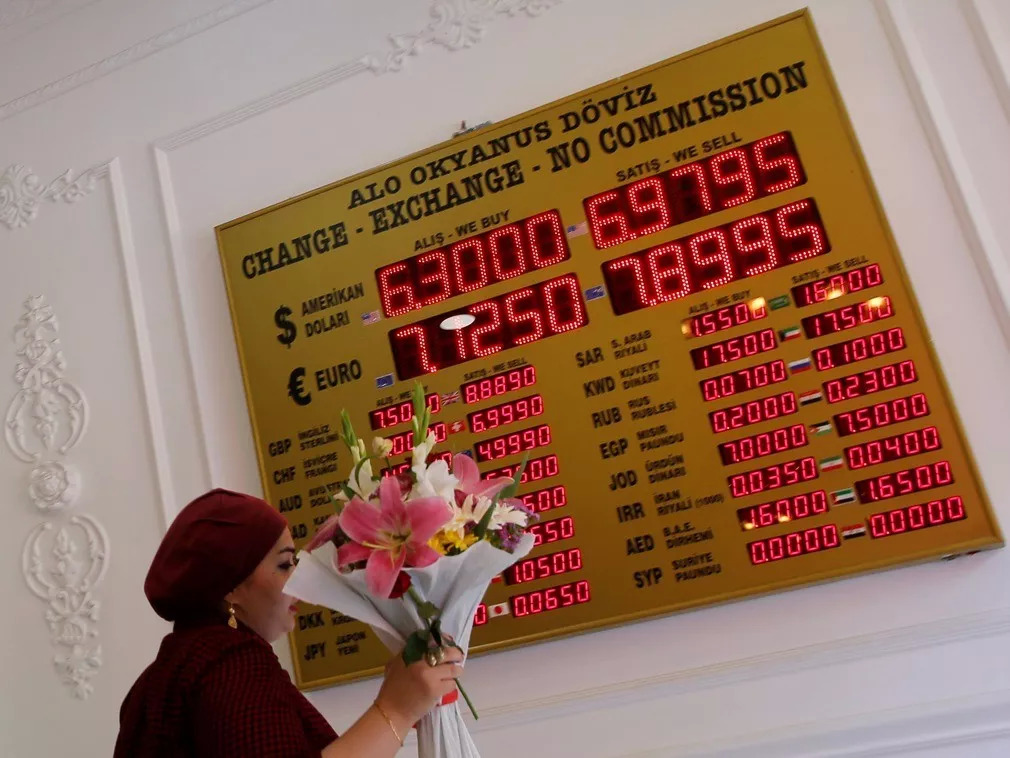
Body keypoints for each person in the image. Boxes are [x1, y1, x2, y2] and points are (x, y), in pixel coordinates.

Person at [114, 488, 462, 757]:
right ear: (231, 586)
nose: (299, 581)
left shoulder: (165, 674)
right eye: (284, 565)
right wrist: (396, 708)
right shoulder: (230, 662)